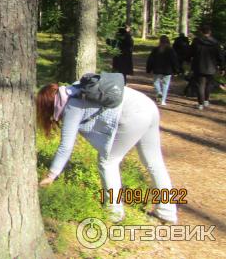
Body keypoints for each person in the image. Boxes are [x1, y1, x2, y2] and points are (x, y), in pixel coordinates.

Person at [37, 83, 177, 224]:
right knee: (154, 162)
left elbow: (65, 146)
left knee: (107, 161)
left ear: (49, 104)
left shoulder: (71, 106)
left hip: (133, 114)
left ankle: (114, 212)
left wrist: (51, 176)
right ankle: (167, 212)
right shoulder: (76, 89)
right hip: (148, 105)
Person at [190, 25, 223, 110]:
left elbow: (191, 52)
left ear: (201, 32)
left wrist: (188, 60)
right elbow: (219, 55)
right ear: (210, 32)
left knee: (200, 85)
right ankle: (206, 101)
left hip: (199, 66)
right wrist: (221, 67)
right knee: (209, 84)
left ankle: (200, 104)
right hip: (211, 67)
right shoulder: (215, 43)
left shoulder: (196, 41)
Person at [146, 35, 181, 106]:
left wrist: (149, 69)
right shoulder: (171, 50)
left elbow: (150, 60)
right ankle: (163, 100)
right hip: (167, 71)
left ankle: (159, 93)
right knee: (166, 85)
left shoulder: (156, 50)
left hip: (157, 70)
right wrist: (176, 70)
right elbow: (174, 61)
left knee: (156, 83)